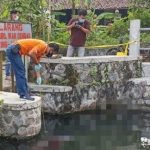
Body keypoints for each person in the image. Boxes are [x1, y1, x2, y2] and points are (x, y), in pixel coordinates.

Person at [5, 9, 20, 80]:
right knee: (8, 59)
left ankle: (12, 74)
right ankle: (7, 75)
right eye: (14, 14)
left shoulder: (18, 22)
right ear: (11, 15)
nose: (15, 15)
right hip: (8, 42)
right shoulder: (7, 22)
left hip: (15, 43)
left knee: (15, 59)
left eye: (16, 14)